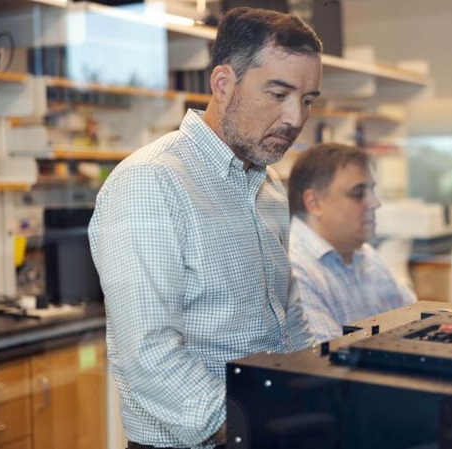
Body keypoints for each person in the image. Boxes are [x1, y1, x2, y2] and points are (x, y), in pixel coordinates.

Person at [88, 8, 322, 449]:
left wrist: (318, 395)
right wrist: (249, 428)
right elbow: (148, 354)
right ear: (223, 84)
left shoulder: (268, 185)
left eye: (308, 100)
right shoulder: (151, 180)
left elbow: (286, 316)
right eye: (278, 93)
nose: (294, 118)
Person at [287, 143, 417, 342]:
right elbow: (328, 362)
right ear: (314, 203)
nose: (375, 203)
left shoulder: (363, 254)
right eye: (358, 193)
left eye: (372, 191)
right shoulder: (294, 270)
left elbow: (416, 321)